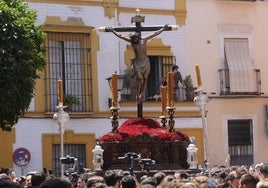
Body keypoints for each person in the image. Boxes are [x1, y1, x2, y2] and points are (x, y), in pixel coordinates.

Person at [109, 24, 169, 103]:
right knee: (140, 78)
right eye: (133, 38)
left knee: (145, 78)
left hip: (146, 62)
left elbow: (154, 33)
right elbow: (121, 36)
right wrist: (113, 31)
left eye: (135, 38)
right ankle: (138, 95)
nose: (134, 39)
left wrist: (163, 29)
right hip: (137, 63)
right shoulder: (132, 42)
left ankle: (141, 94)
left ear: (138, 37)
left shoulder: (144, 40)